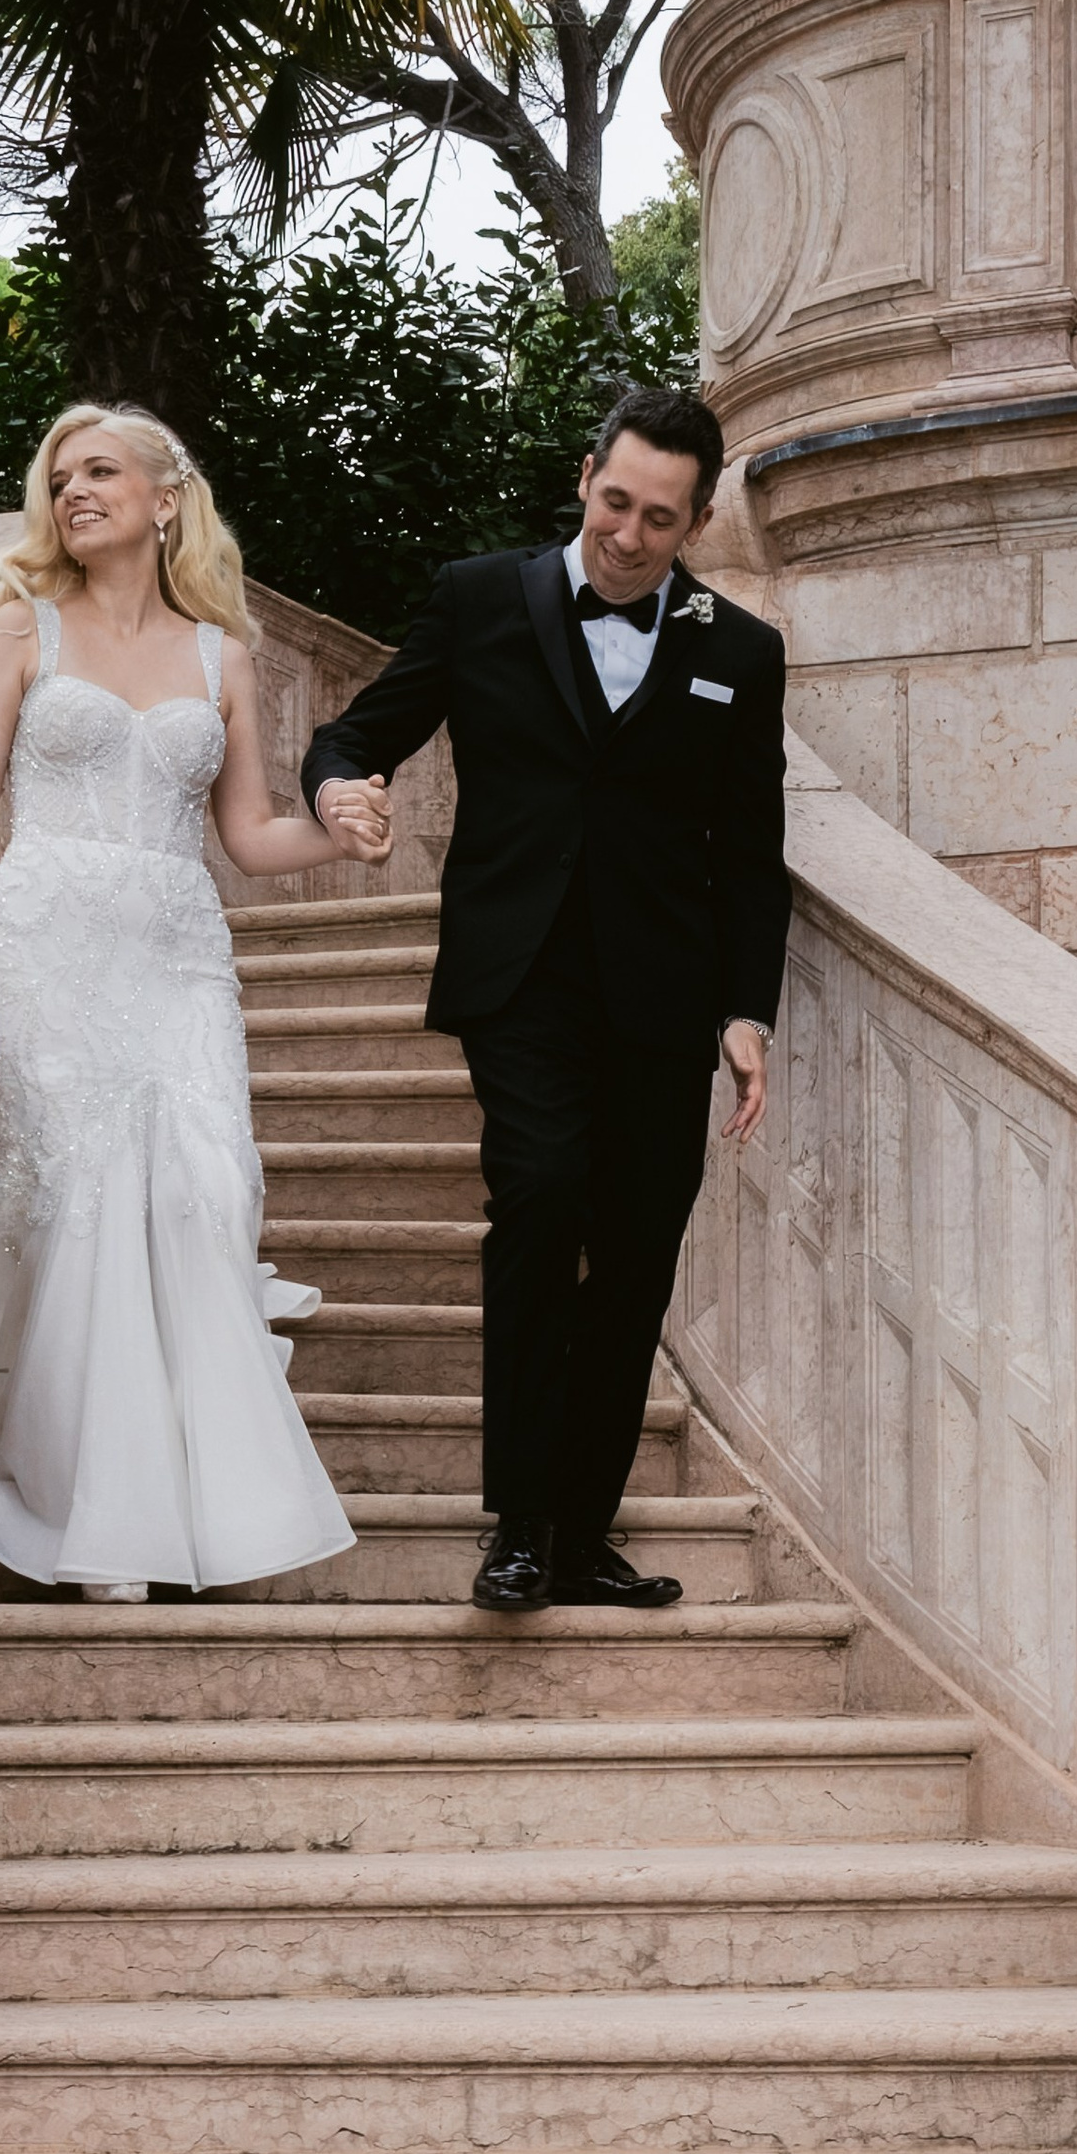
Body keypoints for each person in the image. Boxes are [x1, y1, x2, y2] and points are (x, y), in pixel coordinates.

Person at [0, 404, 357, 1602]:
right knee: (79, 1197)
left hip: (179, 949)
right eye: (60, 476)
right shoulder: (20, 627)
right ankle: (93, 1510)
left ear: (164, 498)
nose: (74, 490)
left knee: (209, 1185)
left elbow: (245, 833)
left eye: (100, 471)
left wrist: (335, 837)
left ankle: (195, 1495)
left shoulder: (220, 653)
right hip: (48, 936)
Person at [300, 382, 787, 1612]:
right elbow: (357, 733)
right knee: (540, 1192)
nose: (627, 537)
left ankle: (581, 1532)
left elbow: (751, 845)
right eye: (614, 503)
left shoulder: (740, 650)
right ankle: (517, 1525)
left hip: (664, 998)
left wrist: (747, 1009)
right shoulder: (480, 598)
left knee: (632, 1260)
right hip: (520, 978)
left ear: (700, 518)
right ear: (585, 478)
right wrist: (337, 790)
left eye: (659, 520)